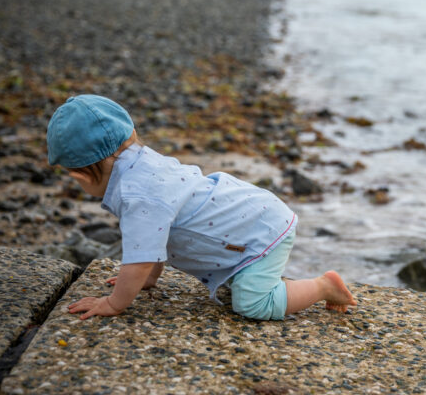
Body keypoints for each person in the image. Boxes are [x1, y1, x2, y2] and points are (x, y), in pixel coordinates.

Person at [46, 94, 357, 321]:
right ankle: (263, 275)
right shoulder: (144, 163)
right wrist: (150, 279)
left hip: (261, 232)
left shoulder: (137, 197)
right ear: (130, 134)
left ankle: (322, 286)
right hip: (249, 217)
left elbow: (140, 258)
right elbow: (156, 237)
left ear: (79, 175)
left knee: (251, 304)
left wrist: (115, 303)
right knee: (239, 284)